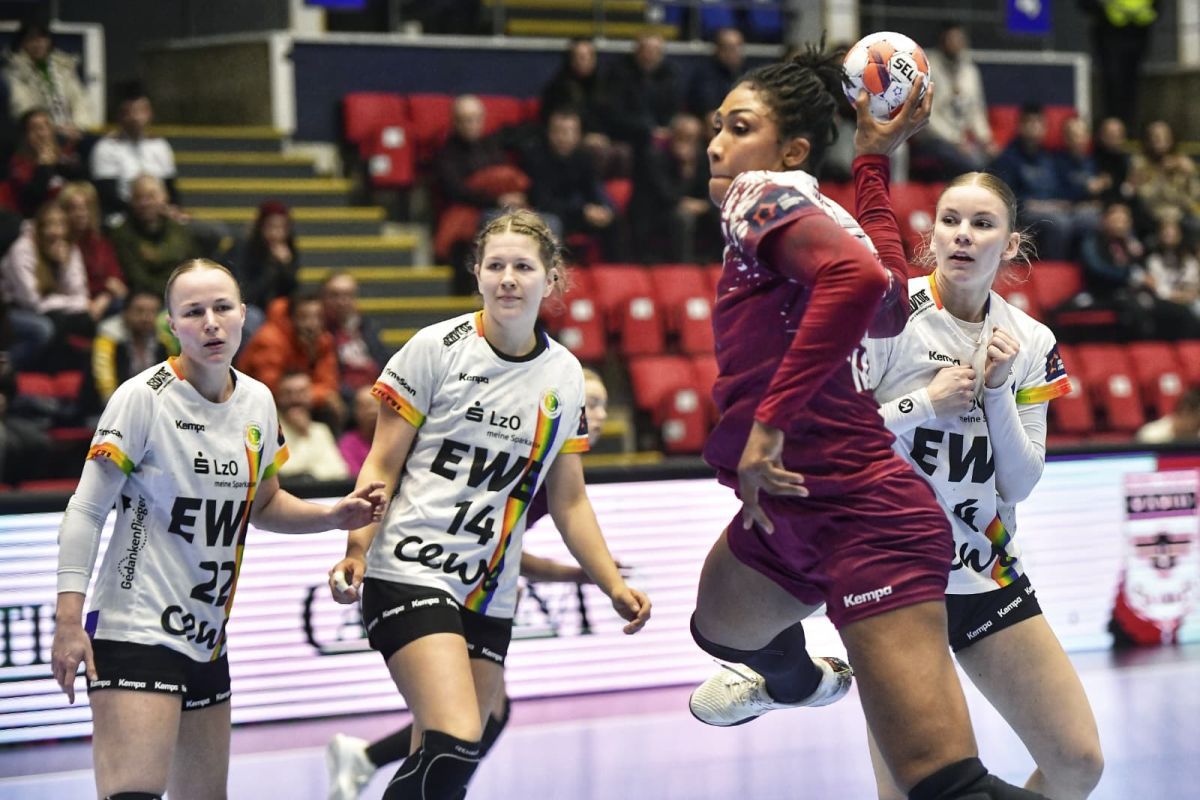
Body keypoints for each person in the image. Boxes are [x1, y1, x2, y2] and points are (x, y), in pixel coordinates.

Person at [684, 45, 1048, 799]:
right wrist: (873, 159)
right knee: (719, 628)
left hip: (866, 513)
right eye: (716, 126)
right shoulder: (829, 218)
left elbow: (857, 281)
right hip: (794, 502)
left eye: (739, 127)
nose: (716, 144)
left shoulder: (755, 192)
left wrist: (771, 421)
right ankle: (803, 683)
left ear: (790, 150)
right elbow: (886, 302)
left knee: (944, 786)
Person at [326, 211, 649, 800]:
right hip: (409, 569)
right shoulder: (435, 348)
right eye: (495, 265)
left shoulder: (565, 376)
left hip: (488, 591)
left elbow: (570, 499)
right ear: (476, 274)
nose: (508, 278)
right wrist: (357, 548)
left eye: (523, 266)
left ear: (551, 280)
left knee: (454, 757)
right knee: (453, 737)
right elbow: (381, 464)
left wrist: (610, 584)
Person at [48, 258, 387, 800]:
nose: (210, 322)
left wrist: (331, 517)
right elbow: (86, 510)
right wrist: (68, 620)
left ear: (243, 315)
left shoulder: (258, 401)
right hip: (134, 628)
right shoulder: (143, 397)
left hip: (206, 638)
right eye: (193, 312)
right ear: (172, 325)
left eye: (222, 307)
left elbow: (264, 503)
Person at [861, 173, 1103, 799]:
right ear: (932, 234)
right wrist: (922, 404)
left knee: (1078, 763)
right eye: (950, 220)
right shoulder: (887, 313)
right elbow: (833, 442)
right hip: (893, 576)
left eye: (982, 223)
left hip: (984, 567)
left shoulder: (1032, 340)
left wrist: (996, 390)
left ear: (1011, 243)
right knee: (914, 789)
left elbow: (1017, 485)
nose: (962, 235)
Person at [324, 368, 612, 800]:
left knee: (473, 722)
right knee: (466, 726)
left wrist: (583, 574)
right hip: (419, 574)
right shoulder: (517, 450)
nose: (598, 415)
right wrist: (571, 573)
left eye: (604, 404)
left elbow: (501, 548)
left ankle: (367, 759)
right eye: (590, 404)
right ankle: (369, 759)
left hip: (474, 591)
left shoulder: (556, 468)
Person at [910, 23, 995, 181]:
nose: (956, 44)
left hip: (961, 140)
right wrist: (956, 141)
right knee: (974, 165)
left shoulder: (970, 71)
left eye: (960, 39)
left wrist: (986, 140)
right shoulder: (927, 69)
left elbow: (976, 110)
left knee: (997, 162)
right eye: (952, 39)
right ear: (942, 41)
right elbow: (927, 115)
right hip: (933, 140)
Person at [90, 84, 180, 219]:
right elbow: (108, 197)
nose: (136, 117)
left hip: (160, 215)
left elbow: (171, 189)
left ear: (149, 113)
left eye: (141, 111)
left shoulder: (160, 146)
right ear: (120, 115)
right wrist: (146, 209)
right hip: (123, 216)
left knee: (206, 229)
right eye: (130, 111)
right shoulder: (106, 147)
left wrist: (174, 209)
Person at [3, 18, 94, 142]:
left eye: (42, 38)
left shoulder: (64, 67)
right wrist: (53, 129)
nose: (38, 44)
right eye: (32, 39)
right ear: (22, 43)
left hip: (73, 131)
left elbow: (80, 101)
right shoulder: (14, 72)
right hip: (37, 135)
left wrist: (78, 126)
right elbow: (22, 107)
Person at [59, 181, 127, 321]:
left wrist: (104, 298)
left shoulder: (100, 242)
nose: (81, 213)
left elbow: (116, 281)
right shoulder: (58, 243)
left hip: (102, 301)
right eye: (74, 208)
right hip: (71, 304)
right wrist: (104, 289)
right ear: (63, 212)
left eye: (86, 207)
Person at [91, 288, 170, 405]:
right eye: (139, 311)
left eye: (152, 312)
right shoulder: (109, 336)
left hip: (149, 405)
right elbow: (105, 382)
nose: (146, 317)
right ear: (125, 312)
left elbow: (167, 377)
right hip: (108, 406)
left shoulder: (163, 340)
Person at [234, 199, 300, 339]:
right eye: (271, 226)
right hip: (251, 306)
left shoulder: (288, 249)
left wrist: (286, 267)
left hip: (278, 308)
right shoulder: (245, 248)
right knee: (253, 317)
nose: (276, 233)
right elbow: (248, 293)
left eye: (282, 228)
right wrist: (272, 267)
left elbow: (292, 290)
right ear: (261, 227)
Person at [7, 107, 87, 217]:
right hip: (37, 220)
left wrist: (58, 163)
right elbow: (30, 201)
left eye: (46, 127)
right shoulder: (19, 163)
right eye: (35, 128)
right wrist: (44, 166)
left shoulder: (67, 154)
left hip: (72, 217)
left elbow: (82, 185)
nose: (42, 134)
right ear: (25, 135)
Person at [276, 370, 352, 483]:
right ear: (279, 397)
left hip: (323, 491)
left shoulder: (321, 430)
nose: (295, 398)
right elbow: (284, 471)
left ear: (311, 395)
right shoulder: (271, 430)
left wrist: (310, 474)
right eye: (288, 393)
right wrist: (304, 434)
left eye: (302, 392)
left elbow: (340, 471)